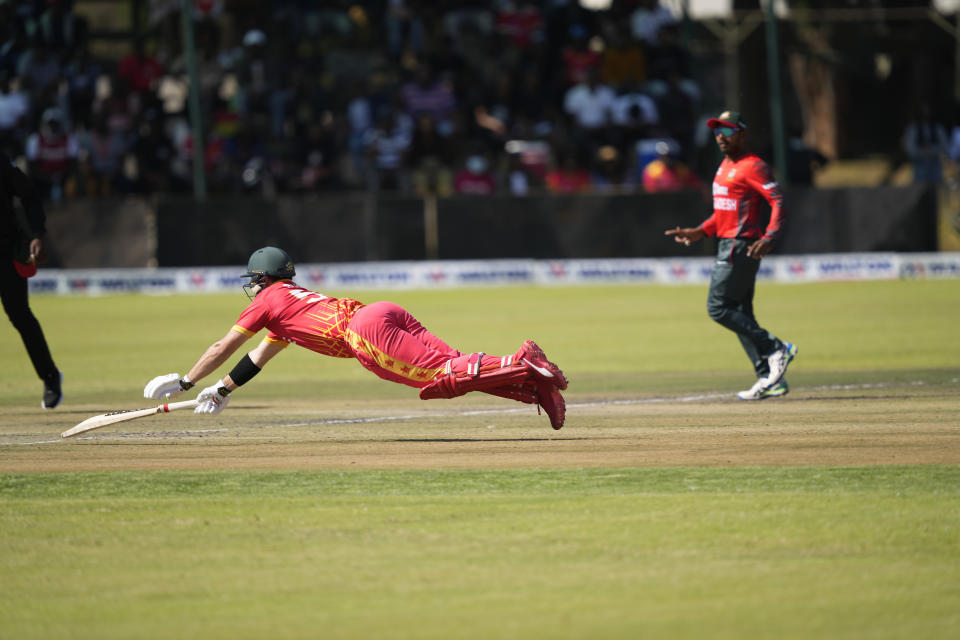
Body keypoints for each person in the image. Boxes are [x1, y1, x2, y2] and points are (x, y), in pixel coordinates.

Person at [143, 247, 567, 429]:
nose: (252, 287)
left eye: (255, 279)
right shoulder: (292, 305)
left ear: (265, 278)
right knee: (453, 368)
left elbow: (223, 347)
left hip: (364, 332)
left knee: (438, 379)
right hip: (381, 312)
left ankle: (522, 360)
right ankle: (535, 387)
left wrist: (186, 382)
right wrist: (221, 390)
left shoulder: (269, 300)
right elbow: (258, 356)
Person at [664, 111, 797, 401]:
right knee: (741, 313)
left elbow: (778, 201)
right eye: (716, 131)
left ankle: (776, 348)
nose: (720, 136)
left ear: (742, 134)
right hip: (728, 243)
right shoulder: (724, 166)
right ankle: (769, 377)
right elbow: (723, 211)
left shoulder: (753, 166)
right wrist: (700, 230)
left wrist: (770, 237)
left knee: (718, 308)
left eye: (727, 130)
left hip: (741, 246)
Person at [0, 151, 62, 408]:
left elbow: (29, 195)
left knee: (20, 316)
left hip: (5, 250)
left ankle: (50, 377)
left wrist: (37, 233)